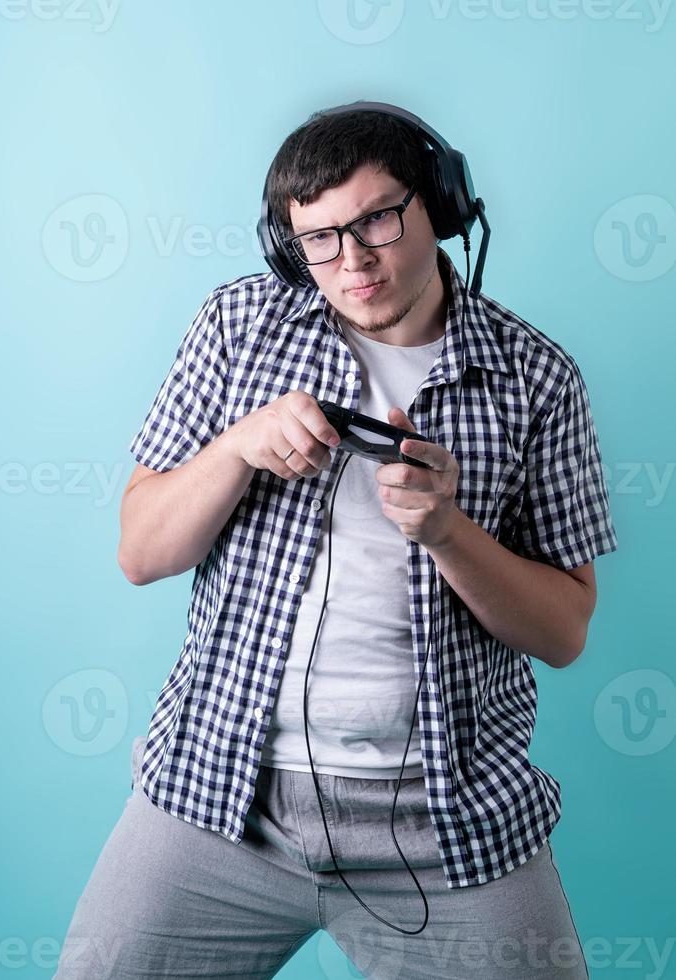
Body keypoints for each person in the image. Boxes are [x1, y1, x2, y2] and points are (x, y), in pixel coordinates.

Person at [53, 105, 617, 979]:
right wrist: (237, 449)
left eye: (377, 220)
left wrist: (446, 531)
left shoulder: (537, 379)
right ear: (290, 248)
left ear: (440, 206)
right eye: (318, 239)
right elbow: (142, 552)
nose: (351, 261)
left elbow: (565, 633)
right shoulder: (240, 327)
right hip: (220, 793)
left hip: (450, 822)